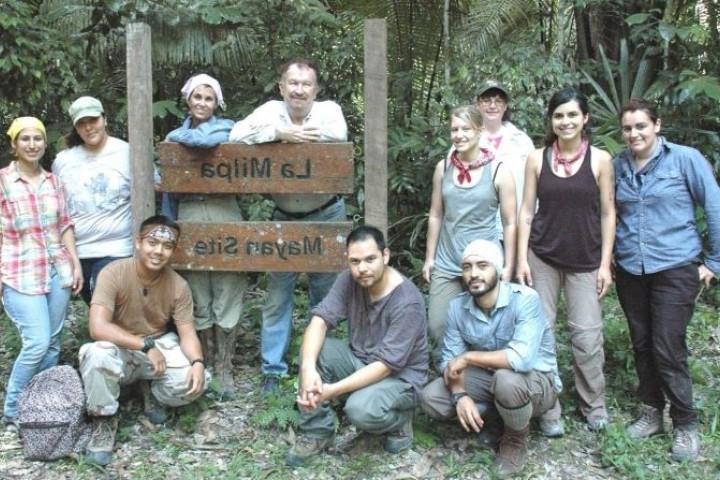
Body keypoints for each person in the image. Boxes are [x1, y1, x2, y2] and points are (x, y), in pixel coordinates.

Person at [229, 58, 348, 392]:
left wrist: (297, 137)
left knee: (325, 296)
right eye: (292, 83)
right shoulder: (269, 111)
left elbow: (339, 134)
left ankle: (320, 364)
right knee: (278, 296)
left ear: (316, 89)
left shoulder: (329, 111)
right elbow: (236, 135)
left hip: (326, 213)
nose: (299, 90)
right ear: (281, 87)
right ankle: (273, 368)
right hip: (284, 219)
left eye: (306, 84)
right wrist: (277, 133)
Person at [614, 99, 720, 462]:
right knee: (642, 343)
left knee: (667, 346)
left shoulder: (685, 159)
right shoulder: (618, 165)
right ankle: (650, 412)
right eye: (628, 128)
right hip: (631, 269)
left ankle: (685, 423)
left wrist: (714, 263)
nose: (634, 134)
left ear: (656, 125)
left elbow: (714, 204)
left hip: (675, 267)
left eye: (641, 126)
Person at [516, 87, 614, 435]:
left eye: (572, 114)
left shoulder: (601, 160)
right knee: (540, 333)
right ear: (551, 120)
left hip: (585, 258)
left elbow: (607, 212)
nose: (566, 121)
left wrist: (605, 263)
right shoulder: (537, 158)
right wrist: (522, 259)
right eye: (559, 115)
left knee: (587, 336)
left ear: (585, 118)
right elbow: (526, 210)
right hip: (542, 256)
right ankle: (548, 407)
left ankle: (594, 405)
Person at [286, 225, 428, 466]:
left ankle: (400, 420)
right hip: (360, 361)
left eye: (370, 259)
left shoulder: (407, 302)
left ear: (385, 256)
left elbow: (385, 366)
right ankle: (317, 431)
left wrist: (333, 390)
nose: (362, 268)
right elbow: (319, 322)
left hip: (399, 378)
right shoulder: (349, 280)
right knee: (315, 348)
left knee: (358, 410)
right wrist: (308, 369)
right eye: (355, 261)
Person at [420, 239, 561, 478]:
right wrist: (460, 394)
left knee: (507, 380)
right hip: (489, 380)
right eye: (467, 267)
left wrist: (469, 357)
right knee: (432, 398)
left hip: (535, 381)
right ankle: (498, 419)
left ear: (498, 269)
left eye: (482, 265)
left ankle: (515, 439)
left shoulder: (525, 299)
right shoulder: (458, 307)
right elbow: (449, 362)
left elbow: (522, 359)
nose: (474, 273)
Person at [79, 215, 210, 466]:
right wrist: (144, 345)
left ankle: (151, 392)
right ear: (138, 243)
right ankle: (104, 419)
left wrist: (197, 362)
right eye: (152, 242)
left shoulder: (178, 285)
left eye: (167, 246)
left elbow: (187, 333)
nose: (158, 251)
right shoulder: (113, 273)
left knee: (197, 381)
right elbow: (97, 327)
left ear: (173, 251)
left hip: (158, 345)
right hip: (121, 345)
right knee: (95, 353)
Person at [164, 73, 247, 399]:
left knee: (228, 286)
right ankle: (207, 362)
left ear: (217, 103)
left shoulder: (230, 130)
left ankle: (225, 366)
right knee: (197, 291)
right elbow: (169, 183)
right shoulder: (173, 140)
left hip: (224, 209)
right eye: (197, 97)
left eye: (208, 98)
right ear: (188, 100)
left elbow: (207, 143)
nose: (202, 103)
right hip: (189, 213)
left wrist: (180, 137)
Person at [1, 117, 83, 429]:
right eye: (25, 139)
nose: (32, 144)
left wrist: (74, 263)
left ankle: (40, 405)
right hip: (18, 271)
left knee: (51, 343)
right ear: (14, 144)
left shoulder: (54, 182)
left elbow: (65, 225)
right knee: (36, 341)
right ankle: (13, 409)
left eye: (38, 139)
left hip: (56, 270)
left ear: (44, 143)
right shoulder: (3, 182)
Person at [423, 104, 517, 348]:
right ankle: (453, 374)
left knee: (485, 327)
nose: (459, 135)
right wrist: (429, 258)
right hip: (447, 258)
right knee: (438, 326)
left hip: (483, 261)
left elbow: (510, 221)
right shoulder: (442, 168)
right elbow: (435, 215)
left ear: (479, 131)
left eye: (466, 128)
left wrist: (508, 264)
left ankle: (479, 376)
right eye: (454, 129)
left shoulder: (498, 170)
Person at [52, 96, 133, 304]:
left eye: (93, 120)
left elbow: (151, 191)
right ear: (75, 128)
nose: (89, 128)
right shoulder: (63, 161)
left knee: (106, 307)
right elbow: (58, 210)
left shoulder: (127, 152)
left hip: (118, 249)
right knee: (100, 310)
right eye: (81, 123)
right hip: (78, 253)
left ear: (104, 119)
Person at [474, 80, 534, 239]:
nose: (492, 106)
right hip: (478, 228)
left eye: (498, 101)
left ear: (505, 106)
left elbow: (534, 184)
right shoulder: (467, 140)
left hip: (516, 228)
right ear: (477, 104)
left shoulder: (522, 141)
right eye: (486, 100)